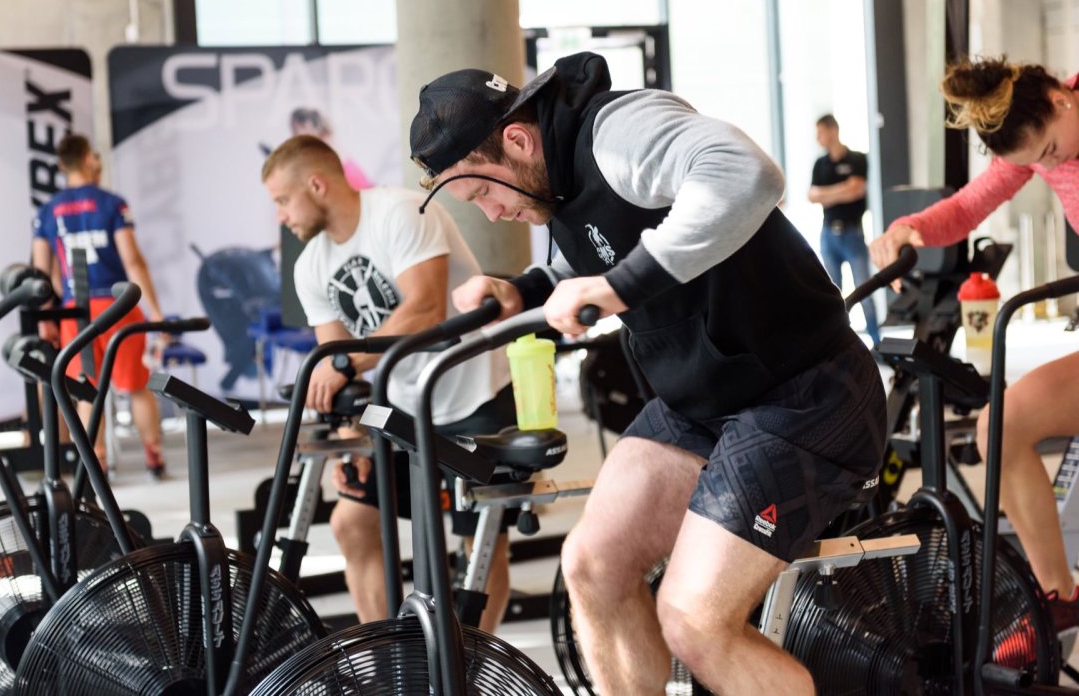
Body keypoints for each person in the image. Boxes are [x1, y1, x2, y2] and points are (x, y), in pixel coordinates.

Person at [408, 52, 886, 694]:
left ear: (518, 140)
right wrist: (522, 290)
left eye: (485, 192)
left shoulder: (618, 130)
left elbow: (748, 174)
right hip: (701, 403)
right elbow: (598, 259)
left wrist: (618, 286)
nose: (492, 213)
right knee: (591, 566)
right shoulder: (552, 185)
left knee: (694, 620)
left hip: (803, 393)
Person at [261, 134, 515, 633]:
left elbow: (424, 309)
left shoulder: (399, 212)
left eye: (282, 201)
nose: (280, 216)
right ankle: (390, 666)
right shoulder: (310, 265)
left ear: (316, 185)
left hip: (474, 394)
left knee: (480, 541)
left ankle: (467, 670)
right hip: (400, 405)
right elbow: (338, 373)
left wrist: (340, 366)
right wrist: (347, 444)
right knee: (352, 524)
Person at [871, 56, 1079, 633]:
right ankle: (1059, 600)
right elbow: (967, 207)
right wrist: (908, 229)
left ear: (1063, 100)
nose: (1047, 164)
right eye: (1034, 163)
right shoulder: (1037, 139)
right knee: (998, 427)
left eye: (1048, 153)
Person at [32, 134, 169, 480]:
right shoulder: (112, 204)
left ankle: (98, 462)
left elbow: (41, 272)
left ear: (63, 166)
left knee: (85, 388)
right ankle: (154, 458)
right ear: (90, 160)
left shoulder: (47, 212)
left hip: (74, 311)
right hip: (117, 305)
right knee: (137, 384)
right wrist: (156, 314)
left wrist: (43, 318)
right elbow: (134, 261)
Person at [808, 114, 882, 346]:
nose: (818, 138)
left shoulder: (857, 159)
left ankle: (877, 343)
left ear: (832, 130)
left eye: (820, 132)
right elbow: (812, 196)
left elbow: (857, 190)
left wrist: (827, 194)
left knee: (864, 292)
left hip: (853, 235)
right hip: (829, 235)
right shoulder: (820, 164)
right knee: (831, 293)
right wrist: (843, 191)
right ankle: (840, 345)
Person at [289, 107, 374, 190]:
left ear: (307, 124)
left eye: (297, 129)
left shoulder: (324, 141)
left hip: (356, 184)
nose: (296, 134)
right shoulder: (320, 140)